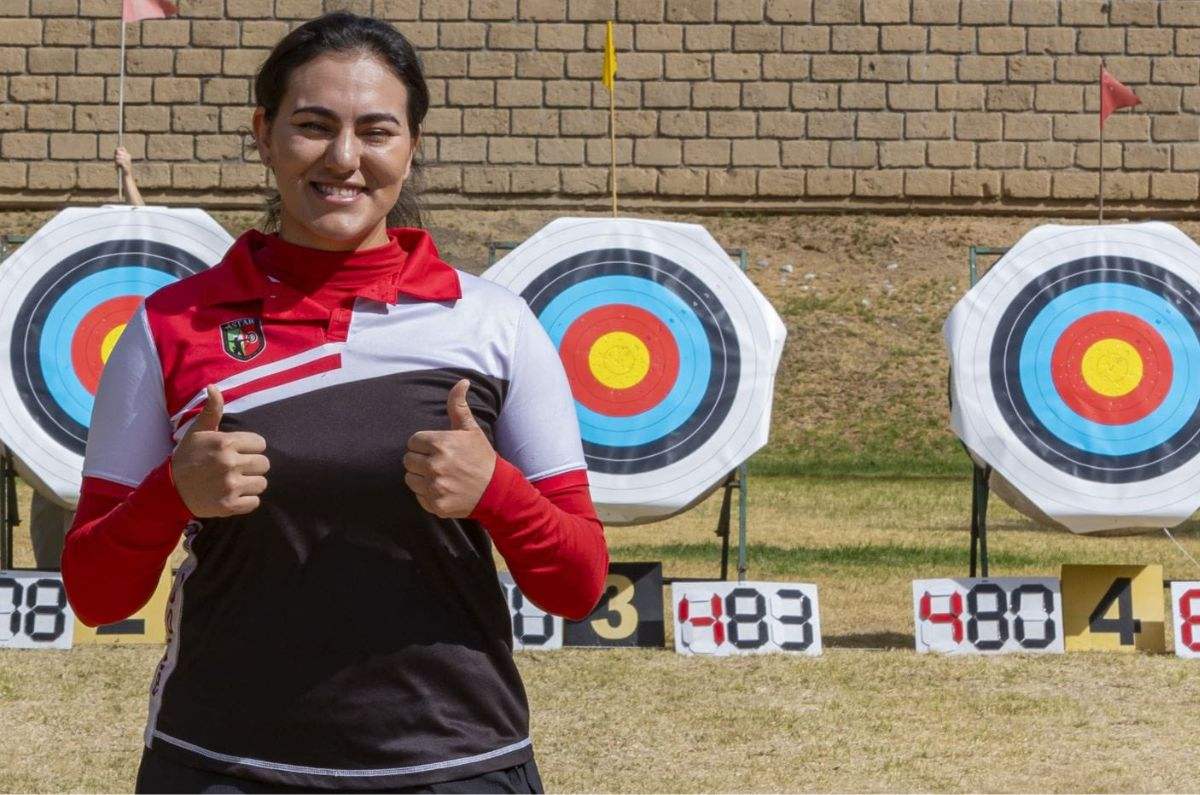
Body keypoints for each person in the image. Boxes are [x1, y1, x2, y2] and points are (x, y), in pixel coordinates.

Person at [61, 12, 608, 794]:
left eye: (376, 131)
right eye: (313, 126)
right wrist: (170, 495)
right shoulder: (168, 324)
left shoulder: (494, 324)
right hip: (220, 761)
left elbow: (578, 582)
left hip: (453, 762)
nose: (344, 159)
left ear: (411, 144)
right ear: (264, 132)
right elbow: (94, 590)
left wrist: (496, 491)